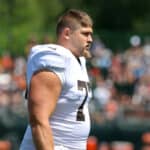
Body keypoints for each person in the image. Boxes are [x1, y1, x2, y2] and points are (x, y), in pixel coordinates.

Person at [20, 8, 93, 150]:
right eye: (85, 34)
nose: (90, 39)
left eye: (90, 34)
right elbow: (38, 120)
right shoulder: (53, 60)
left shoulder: (78, 61)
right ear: (67, 33)